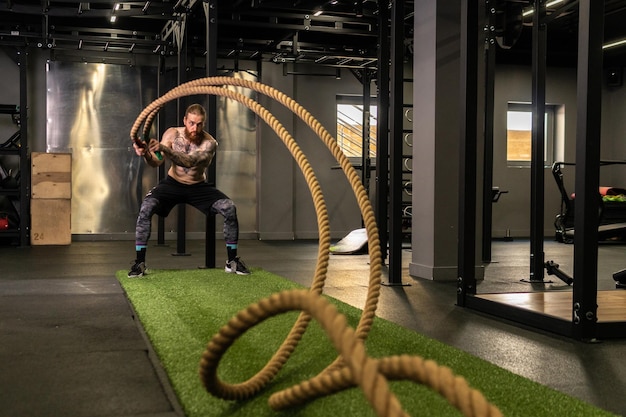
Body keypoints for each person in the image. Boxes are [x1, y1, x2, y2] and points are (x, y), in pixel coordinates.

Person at [128, 103, 250, 277]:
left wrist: (162, 148)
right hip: (172, 183)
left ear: (204, 123)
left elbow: (189, 162)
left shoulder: (210, 143)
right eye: (192, 123)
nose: (195, 128)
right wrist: (146, 153)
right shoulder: (171, 134)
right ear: (185, 120)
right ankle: (139, 263)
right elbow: (157, 161)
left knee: (229, 207)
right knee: (146, 207)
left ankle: (232, 261)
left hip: (198, 186)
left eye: (199, 124)